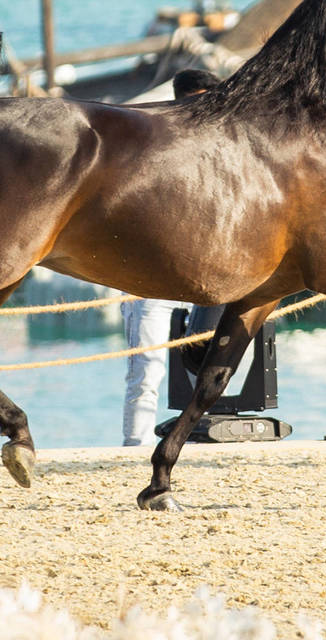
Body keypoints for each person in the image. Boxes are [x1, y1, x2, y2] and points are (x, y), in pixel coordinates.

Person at [121, 67, 225, 446]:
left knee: (209, 362)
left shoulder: (217, 149)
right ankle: (135, 445)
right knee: (146, 370)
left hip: (198, 274)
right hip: (149, 278)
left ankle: (195, 441)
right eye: (195, 107)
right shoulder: (154, 144)